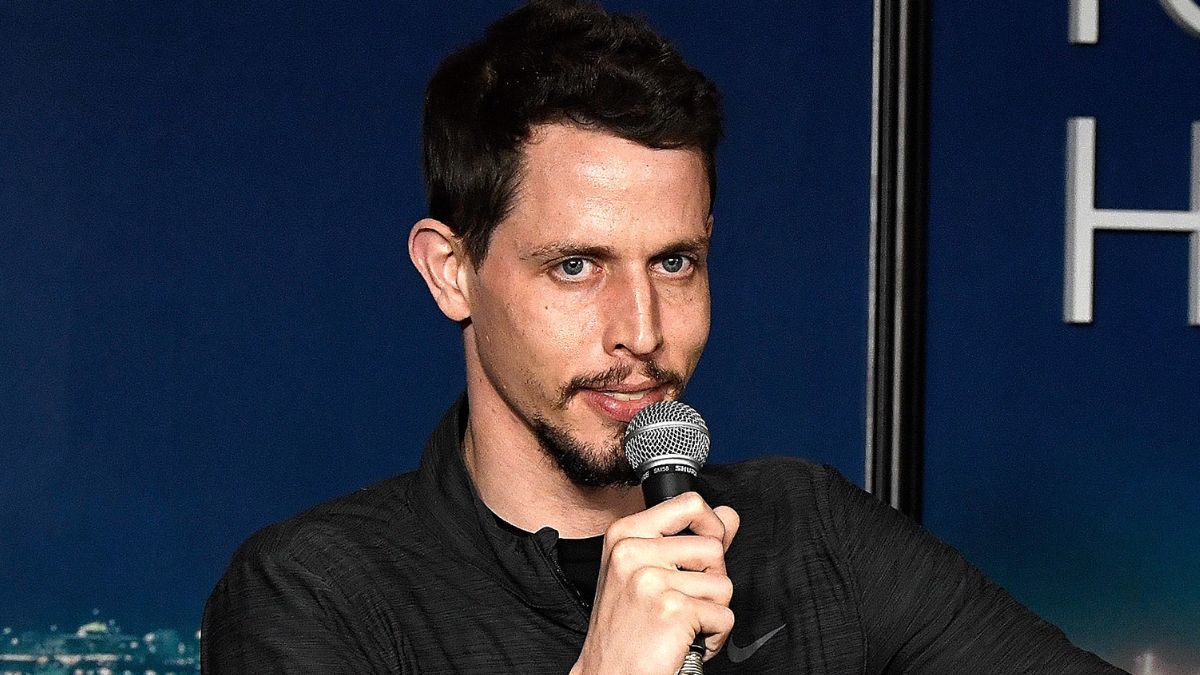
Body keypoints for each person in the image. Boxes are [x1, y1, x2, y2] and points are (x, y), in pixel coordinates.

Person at [201, 2, 1126, 673]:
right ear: (451, 271)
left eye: (675, 262)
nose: (641, 331)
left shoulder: (810, 531)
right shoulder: (317, 592)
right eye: (576, 266)